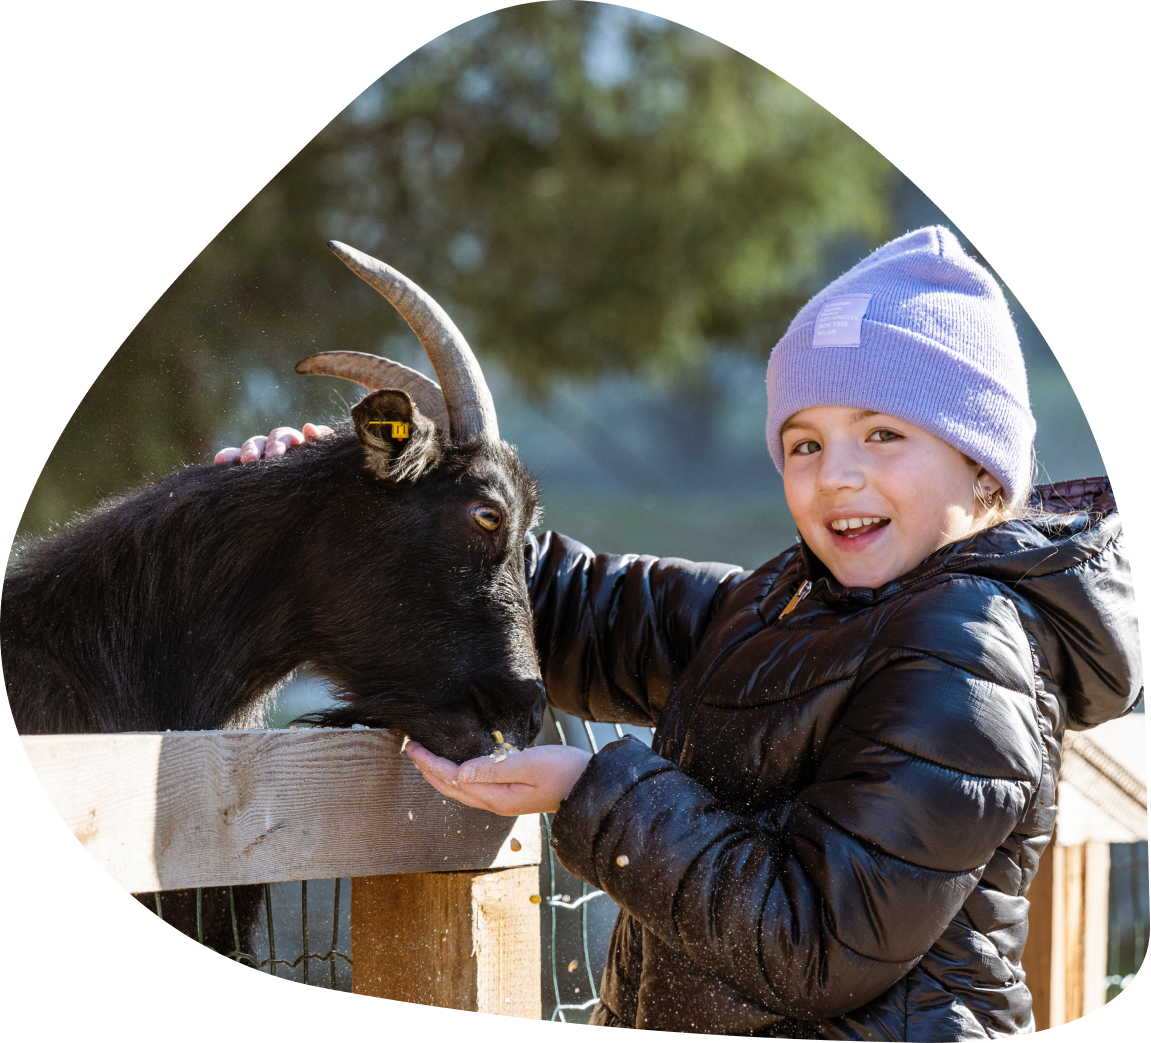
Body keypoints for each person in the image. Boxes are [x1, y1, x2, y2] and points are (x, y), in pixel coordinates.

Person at [220, 227, 1138, 1037]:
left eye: (883, 435)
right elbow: (582, 610)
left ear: (982, 468)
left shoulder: (966, 656)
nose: (836, 477)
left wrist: (593, 788)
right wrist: (401, 513)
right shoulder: (783, 604)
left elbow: (811, 945)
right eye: (805, 444)